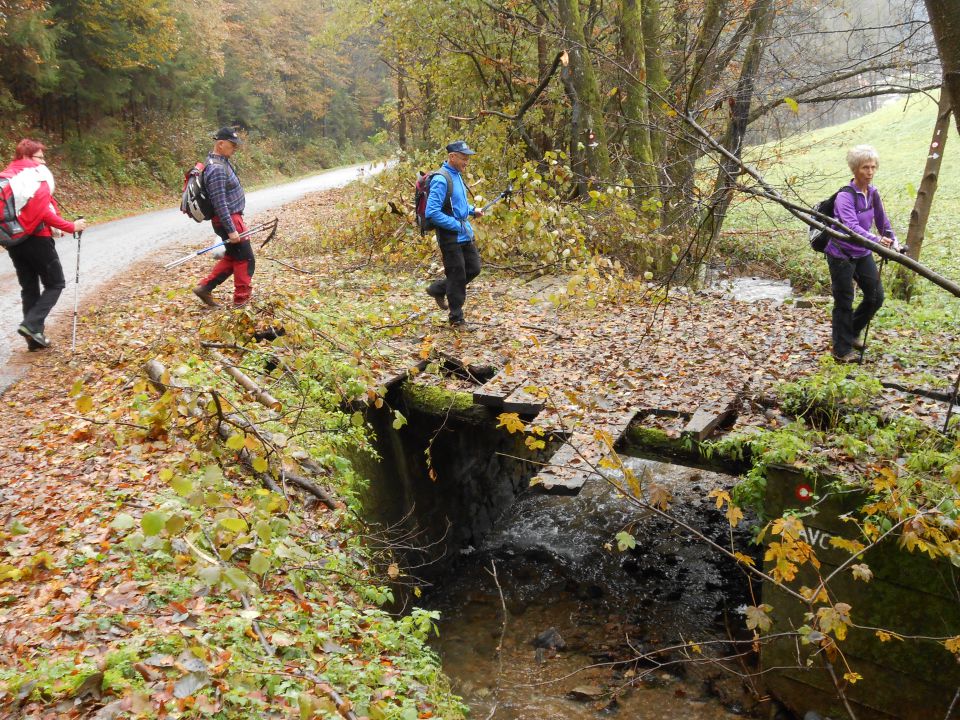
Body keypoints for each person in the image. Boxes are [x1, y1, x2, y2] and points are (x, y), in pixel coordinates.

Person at [2, 139, 86, 350]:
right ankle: (31, 325)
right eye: (40, 157)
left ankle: (34, 339)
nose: (44, 161)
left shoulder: (9, 176)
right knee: (55, 283)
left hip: (14, 240)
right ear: (27, 156)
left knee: (29, 287)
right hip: (37, 239)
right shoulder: (35, 176)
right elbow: (42, 212)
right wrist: (70, 226)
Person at [825, 144, 899, 363]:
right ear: (855, 169)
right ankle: (841, 350)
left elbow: (882, 222)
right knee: (844, 300)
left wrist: (893, 241)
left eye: (873, 167)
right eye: (865, 167)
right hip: (841, 253)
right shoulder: (844, 197)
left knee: (875, 296)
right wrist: (876, 240)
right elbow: (851, 227)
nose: (870, 172)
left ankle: (851, 333)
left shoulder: (873, 193)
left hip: (863, 251)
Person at [425, 140, 484, 326]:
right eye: (463, 158)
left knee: (474, 268)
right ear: (452, 157)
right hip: (450, 237)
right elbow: (432, 212)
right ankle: (456, 317)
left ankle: (438, 288)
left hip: (464, 233)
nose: (466, 162)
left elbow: (458, 205)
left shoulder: (457, 175)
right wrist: (456, 225)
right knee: (457, 275)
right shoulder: (441, 179)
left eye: (467, 158)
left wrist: (473, 210)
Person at [192, 127, 251, 307]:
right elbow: (219, 202)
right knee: (245, 259)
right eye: (232, 145)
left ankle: (205, 287)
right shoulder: (216, 168)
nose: (235, 149)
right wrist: (231, 230)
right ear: (221, 144)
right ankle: (241, 301)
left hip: (231, 218)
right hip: (230, 219)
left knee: (233, 257)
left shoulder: (218, 161)